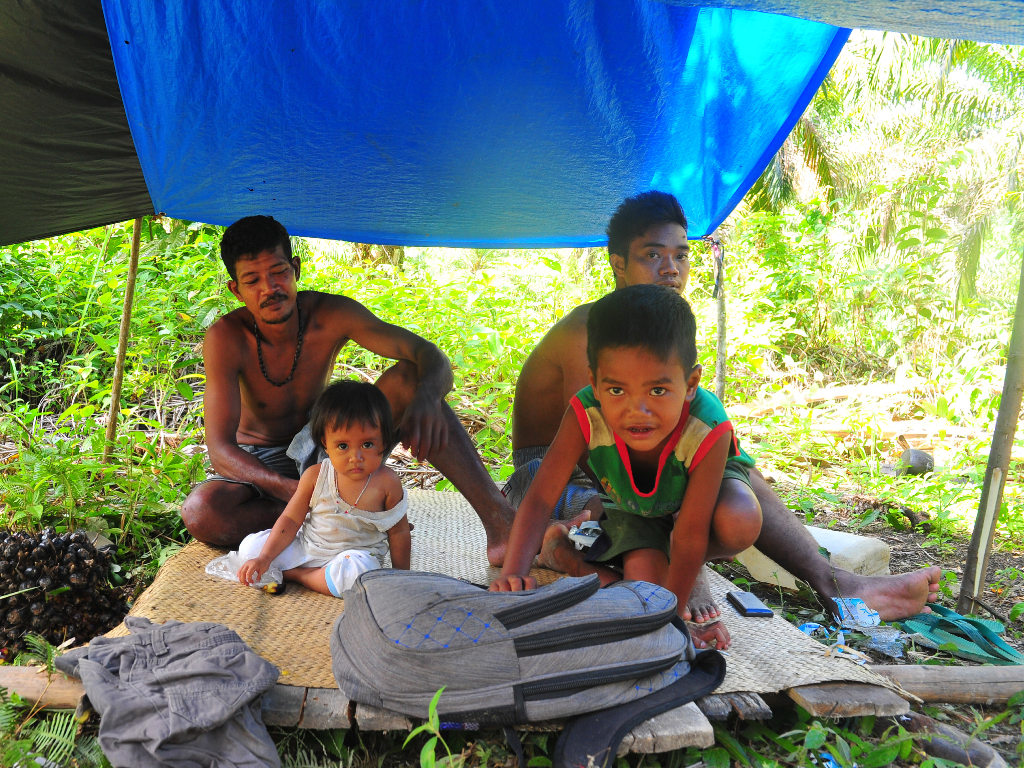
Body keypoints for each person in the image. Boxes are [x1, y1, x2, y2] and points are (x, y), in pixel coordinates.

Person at [508, 191, 942, 623]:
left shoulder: (660, 333)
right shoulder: (593, 332)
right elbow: (610, 447)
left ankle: (832, 581)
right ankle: (569, 551)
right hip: (555, 473)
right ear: (618, 263)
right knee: (653, 520)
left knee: (729, 465)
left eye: (681, 256)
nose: (670, 270)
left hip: (625, 471)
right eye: (652, 255)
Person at [182, 215, 514, 565]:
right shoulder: (226, 337)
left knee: (409, 380)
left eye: (279, 272)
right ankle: (338, 518)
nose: (270, 288)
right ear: (236, 289)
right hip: (261, 467)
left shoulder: (331, 314)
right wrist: (296, 493)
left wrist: (428, 398)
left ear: (295, 268)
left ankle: (501, 524)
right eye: (252, 280)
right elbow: (220, 449)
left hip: (326, 448)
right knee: (202, 512)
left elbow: (429, 356)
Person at [492, 285, 760, 649]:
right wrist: (513, 575)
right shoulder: (585, 412)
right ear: (595, 384)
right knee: (643, 591)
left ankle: (586, 543)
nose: (638, 410)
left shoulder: (707, 426)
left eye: (658, 391)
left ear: (691, 383)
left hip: (696, 507)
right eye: (617, 390)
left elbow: (691, 534)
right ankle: (565, 551)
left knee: (740, 519)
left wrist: (671, 624)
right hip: (634, 505)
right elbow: (540, 498)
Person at [237, 380, 409, 596]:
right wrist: (264, 558)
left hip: (355, 556)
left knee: (357, 579)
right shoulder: (315, 475)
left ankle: (298, 575)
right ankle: (303, 570)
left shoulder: (387, 483)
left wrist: (403, 577)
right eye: (343, 446)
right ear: (325, 443)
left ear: (384, 442)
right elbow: (291, 520)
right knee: (249, 549)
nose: (356, 457)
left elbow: (400, 531)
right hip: (309, 546)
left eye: (367, 445)